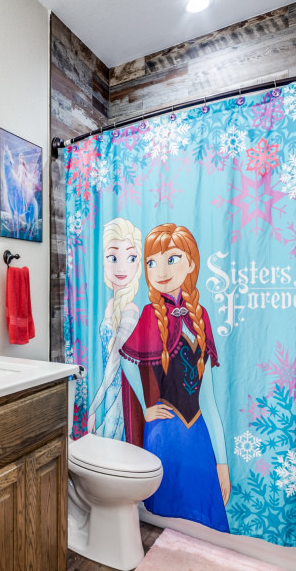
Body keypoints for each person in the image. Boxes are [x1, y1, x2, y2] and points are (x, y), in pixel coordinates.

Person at [119, 222, 231, 531]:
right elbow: (127, 361)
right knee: (164, 529)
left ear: (191, 262)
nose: (160, 270)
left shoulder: (201, 315)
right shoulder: (148, 315)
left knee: (205, 527)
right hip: (164, 434)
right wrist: (145, 407)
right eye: (152, 263)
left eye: (171, 259)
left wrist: (222, 461)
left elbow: (207, 399)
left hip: (198, 437)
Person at [86, 218, 142, 440]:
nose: (121, 267)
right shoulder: (109, 304)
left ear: (138, 263)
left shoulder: (131, 309)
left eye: (130, 257)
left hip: (120, 394)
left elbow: (115, 361)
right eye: (112, 257)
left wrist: (93, 407)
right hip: (108, 391)